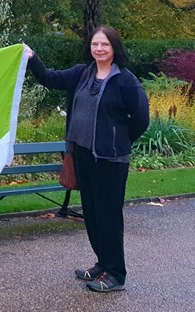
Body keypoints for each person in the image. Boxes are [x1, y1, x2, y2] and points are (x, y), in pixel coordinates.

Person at [24, 26, 149, 293]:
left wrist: (119, 142)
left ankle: (116, 274)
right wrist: (32, 57)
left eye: (105, 44)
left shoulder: (126, 81)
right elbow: (48, 78)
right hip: (82, 155)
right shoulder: (82, 73)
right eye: (95, 44)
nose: (99, 49)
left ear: (114, 48)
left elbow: (141, 119)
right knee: (92, 215)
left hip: (110, 160)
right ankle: (103, 264)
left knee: (109, 216)